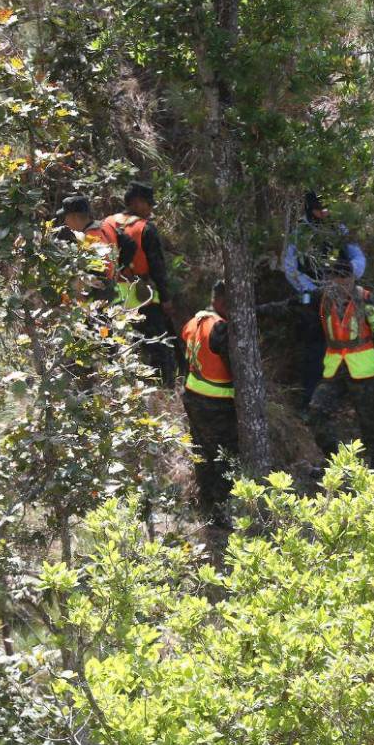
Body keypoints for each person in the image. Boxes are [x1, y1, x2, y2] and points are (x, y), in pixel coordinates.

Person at [306, 255, 374, 466]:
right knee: (317, 410)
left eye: (346, 278)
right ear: (331, 279)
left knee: (371, 423)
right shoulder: (323, 299)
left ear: (353, 279)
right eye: (337, 278)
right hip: (335, 369)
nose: (342, 283)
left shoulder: (366, 299)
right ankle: (338, 462)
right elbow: (295, 307)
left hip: (366, 372)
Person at [283, 191, 367, 409]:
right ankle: (310, 400)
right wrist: (312, 289)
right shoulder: (300, 233)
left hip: (341, 297)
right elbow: (290, 267)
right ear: (311, 209)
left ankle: (343, 399)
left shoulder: (339, 229)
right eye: (321, 208)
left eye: (328, 207)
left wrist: (347, 276)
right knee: (314, 350)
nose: (326, 212)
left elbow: (358, 257)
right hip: (312, 299)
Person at [180, 280, 240, 530]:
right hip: (215, 404)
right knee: (223, 456)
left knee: (203, 454)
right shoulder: (220, 329)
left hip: (193, 395)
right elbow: (235, 368)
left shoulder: (195, 321)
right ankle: (221, 511)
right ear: (221, 301)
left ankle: (206, 505)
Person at [104, 182, 176, 387]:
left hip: (111, 294)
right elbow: (157, 268)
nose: (151, 209)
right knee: (158, 343)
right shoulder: (145, 228)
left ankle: (116, 385)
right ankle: (165, 386)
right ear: (136, 202)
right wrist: (166, 299)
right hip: (139, 294)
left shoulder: (106, 224)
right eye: (148, 204)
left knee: (116, 343)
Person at [54, 194, 134, 302]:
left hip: (101, 294)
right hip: (112, 288)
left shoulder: (90, 240)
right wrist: (119, 270)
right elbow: (130, 243)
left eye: (66, 217)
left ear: (75, 217)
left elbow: (95, 274)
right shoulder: (104, 225)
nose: (65, 222)